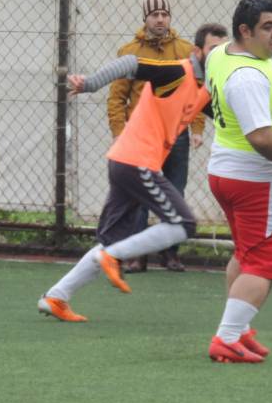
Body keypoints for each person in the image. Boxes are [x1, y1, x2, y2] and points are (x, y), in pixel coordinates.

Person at [37, 24, 228, 322]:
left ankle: (56, 297)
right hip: (137, 162)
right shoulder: (177, 73)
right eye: (213, 49)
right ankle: (112, 257)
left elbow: (231, 122)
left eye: (224, 50)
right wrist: (90, 83)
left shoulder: (205, 89)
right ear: (197, 52)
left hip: (124, 162)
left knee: (110, 241)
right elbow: (129, 62)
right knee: (183, 223)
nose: (219, 55)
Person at [204, 0, 272, 363]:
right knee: (262, 264)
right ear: (245, 30)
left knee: (246, 254)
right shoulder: (248, 76)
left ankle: (239, 329)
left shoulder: (220, 53)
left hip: (228, 173)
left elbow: (209, 94)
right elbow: (261, 137)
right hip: (257, 182)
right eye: (268, 27)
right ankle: (227, 338)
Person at [107, 0, 205, 273]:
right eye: (155, 15)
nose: (160, 19)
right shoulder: (130, 51)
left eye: (164, 14)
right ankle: (136, 255)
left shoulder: (185, 50)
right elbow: (117, 97)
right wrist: (119, 131)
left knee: (175, 191)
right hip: (142, 137)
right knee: (140, 194)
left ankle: (170, 253)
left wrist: (196, 128)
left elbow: (197, 93)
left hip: (176, 134)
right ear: (145, 19)